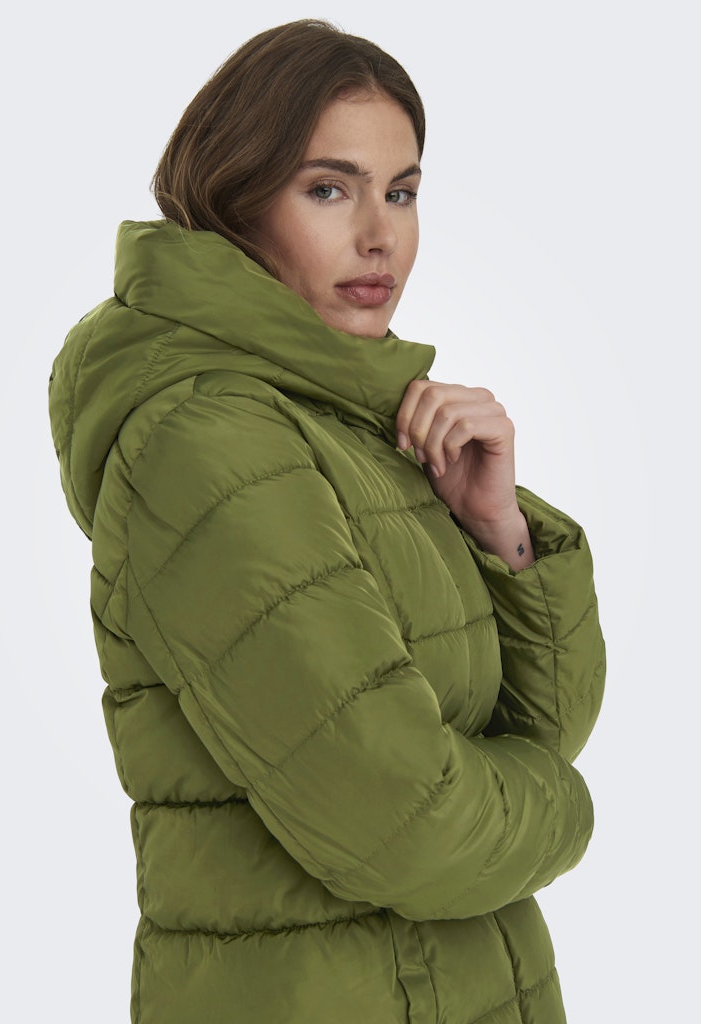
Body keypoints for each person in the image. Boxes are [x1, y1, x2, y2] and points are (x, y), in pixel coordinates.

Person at [49, 19, 604, 1024]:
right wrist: (569, 810)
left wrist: (499, 534)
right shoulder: (210, 441)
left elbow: (542, 730)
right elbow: (412, 827)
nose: (381, 236)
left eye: (403, 191)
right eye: (328, 190)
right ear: (235, 202)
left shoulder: (352, 425)